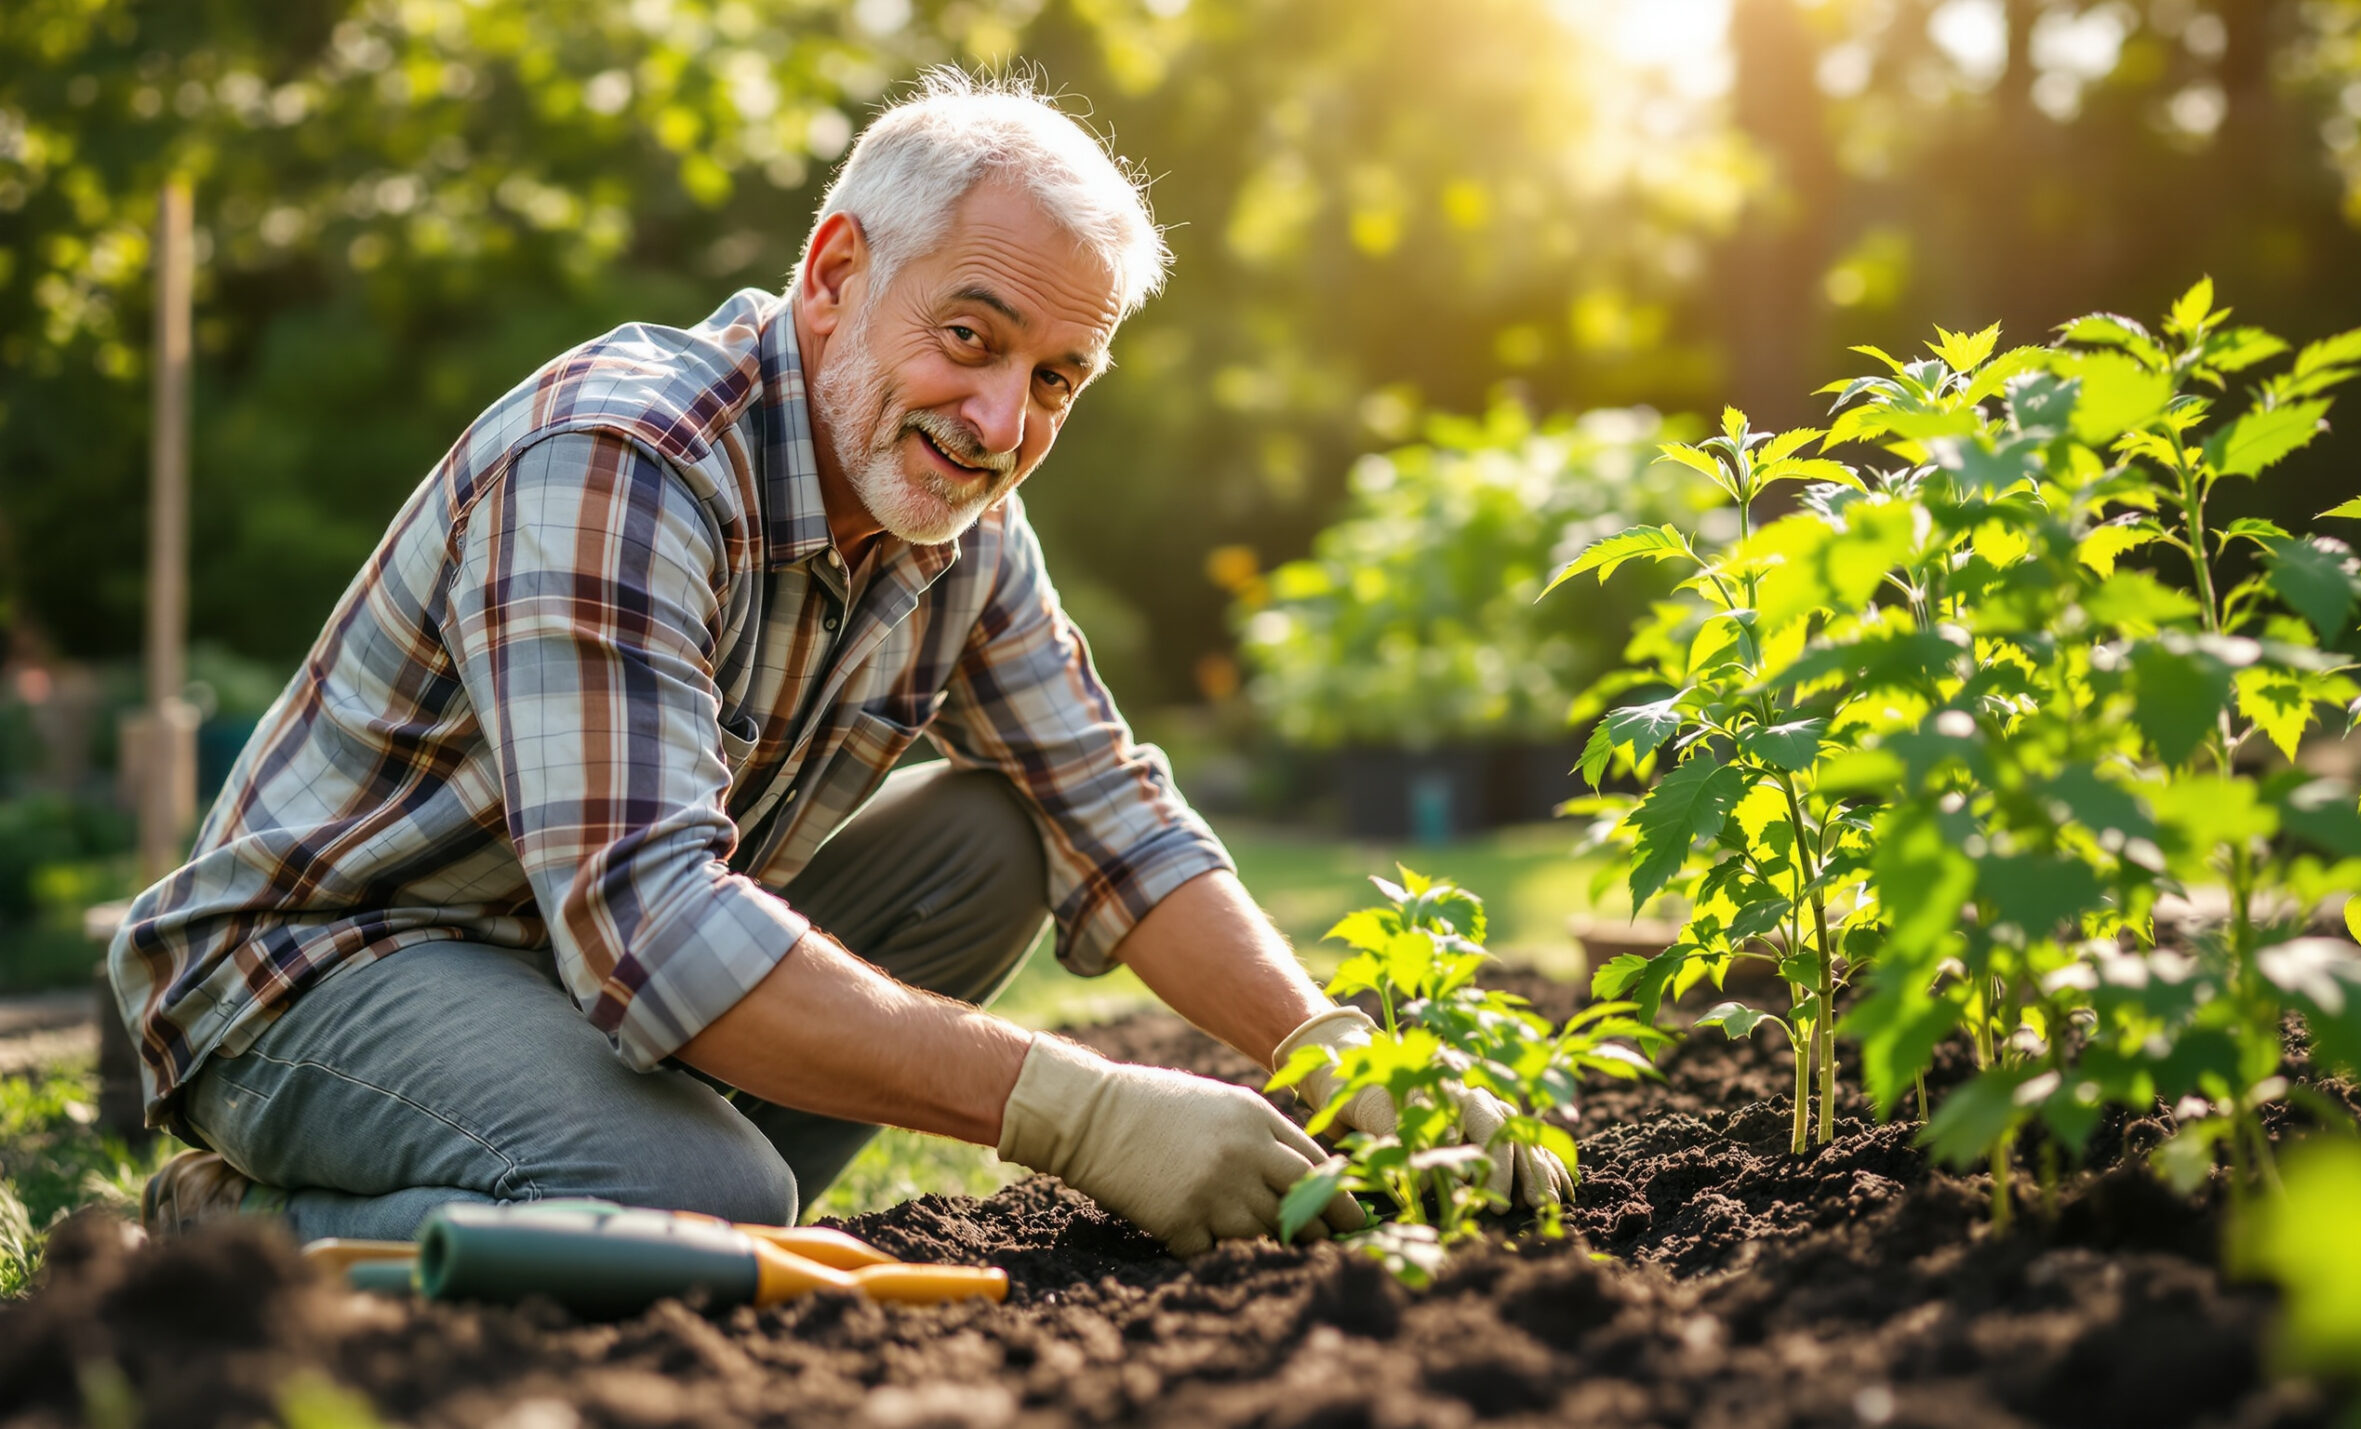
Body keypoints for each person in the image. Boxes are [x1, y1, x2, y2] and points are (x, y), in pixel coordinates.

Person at [111, 70, 1563, 1257]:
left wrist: (1339, 1053)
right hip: (321, 966)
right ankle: (236, 1236)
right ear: (833, 274)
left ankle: (635, 1179)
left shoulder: (958, 525)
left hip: (561, 984)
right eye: (972, 336)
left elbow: (1108, 811)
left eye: (1055, 377)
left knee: (997, 835)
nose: (1000, 422)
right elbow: (651, 933)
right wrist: (1086, 1112)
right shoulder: (623, 462)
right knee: (721, 1214)